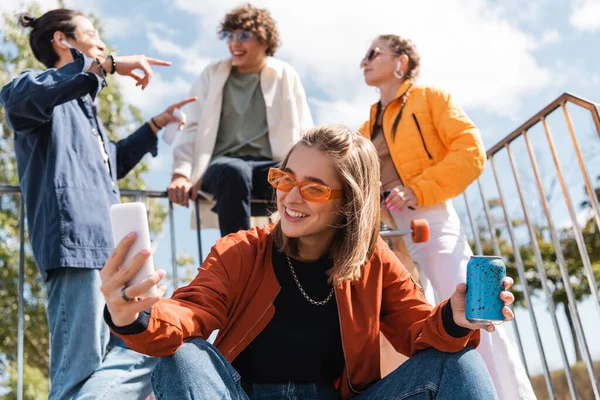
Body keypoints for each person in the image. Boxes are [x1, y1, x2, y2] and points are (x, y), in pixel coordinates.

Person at [100, 125, 519, 399]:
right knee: (184, 354)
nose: (290, 197)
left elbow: (418, 331)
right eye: (284, 179)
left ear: (347, 204)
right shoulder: (242, 249)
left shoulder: (374, 262)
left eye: (314, 189)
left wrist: (454, 319)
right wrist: (134, 316)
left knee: (459, 363)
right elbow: (190, 311)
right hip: (241, 395)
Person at [0, 9, 196, 400]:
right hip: (76, 250)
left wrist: (154, 126)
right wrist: (103, 66)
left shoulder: (87, 110)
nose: (102, 41)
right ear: (62, 40)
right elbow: (20, 99)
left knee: (146, 347)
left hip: (114, 254)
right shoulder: (33, 92)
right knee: (79, 368)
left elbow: (113, 163)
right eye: (91, 33)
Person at [358, 34, 535, 400]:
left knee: (474, 310)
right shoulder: (367, 125)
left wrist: (418, 190)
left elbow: (470, 152)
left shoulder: (430, 99)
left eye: (374, 53)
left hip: (428, 216)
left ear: (400, 62)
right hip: (383, 230)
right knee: (415, 321)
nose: (365, 60)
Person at [167, 4, 313, 237]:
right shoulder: (212, 75)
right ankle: (238, 260)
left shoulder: (285, 75)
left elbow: (305, 130)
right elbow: (192, 128)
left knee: (294, 179)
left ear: (265, 41)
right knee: (235, 172)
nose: (234, 43)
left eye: (244, 36)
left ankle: (296, 260)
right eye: (229, 35)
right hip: (222, 166)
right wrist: (180, 174)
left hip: (269, 166)